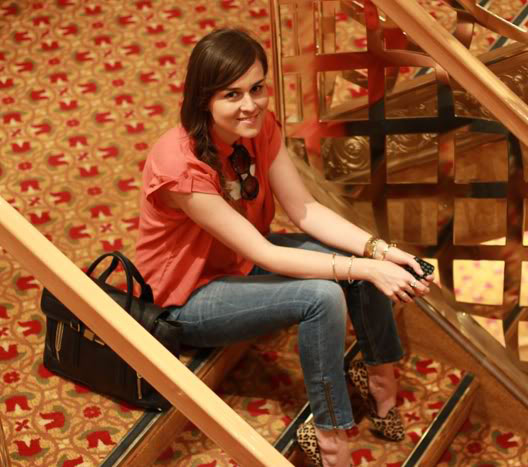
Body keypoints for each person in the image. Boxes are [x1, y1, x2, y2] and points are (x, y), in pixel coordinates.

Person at [134, 28, 433, 467]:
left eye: (257, 88)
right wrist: (367, 269)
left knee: (360, 259)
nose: (250, 104)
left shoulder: (257, 128)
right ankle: (330, 439)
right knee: (323, 294)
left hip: (243, 258)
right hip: (188, 295)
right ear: (203, 99)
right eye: (232, 95)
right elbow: (267, 254)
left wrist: (381, 251)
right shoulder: (180, 166)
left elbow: (305, 209)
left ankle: (379, 380)